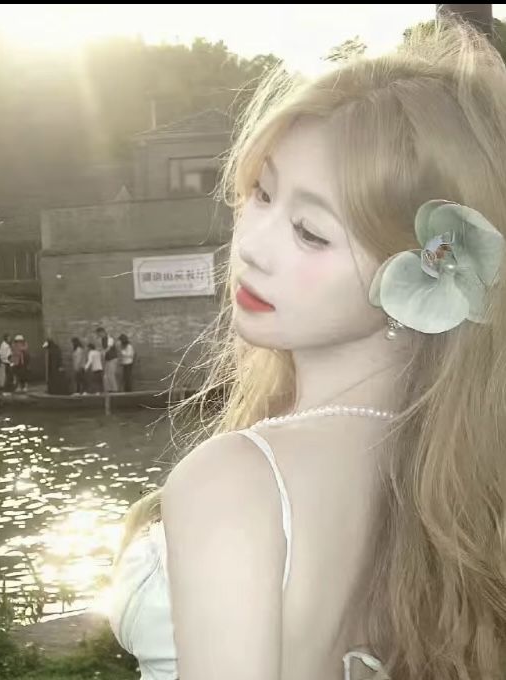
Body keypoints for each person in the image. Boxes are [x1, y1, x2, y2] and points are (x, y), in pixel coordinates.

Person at [108, 24, 506, 680]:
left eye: (309, 232)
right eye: (260, 194)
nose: (251, 245)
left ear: (427, 272)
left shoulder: (236, 480)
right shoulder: (458, 478)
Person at [96, 326, 119, 392]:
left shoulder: (110, 338)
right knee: (106, 375)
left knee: (111, 375)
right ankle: (108, 390)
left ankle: (115, 390)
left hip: (113, 359)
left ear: (103, 332)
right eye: (98, 334)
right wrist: (99, 350)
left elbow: (108, 348)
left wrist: (102, 351)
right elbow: (104, 349)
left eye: (99, 334)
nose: (99, 335)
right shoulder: (102, 339)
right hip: (107, 359)